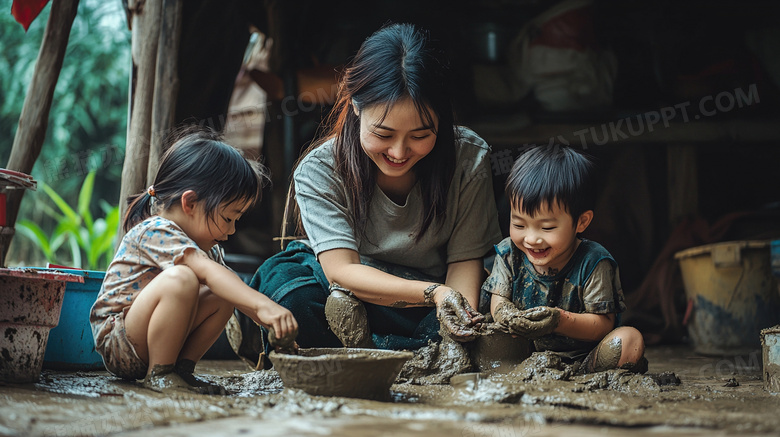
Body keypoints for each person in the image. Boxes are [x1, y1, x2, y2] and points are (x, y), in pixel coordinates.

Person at [243, 23, 503, 355]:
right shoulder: (320, 169)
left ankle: (375, 349)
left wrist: (454, 316)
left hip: (428, 300)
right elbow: (341, 270)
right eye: (383, 134)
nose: (398, 152)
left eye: (421, 136)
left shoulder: (469, 157)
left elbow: (465, 264)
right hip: (348, 289)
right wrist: (434, 293)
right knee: (294, 298)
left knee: (487, 309)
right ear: (354, 104)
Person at [90, 128, 298, 394]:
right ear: (190, 202)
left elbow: (225, 287)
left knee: (224, 291)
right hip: (121, 342)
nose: (232, 230)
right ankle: (161, 374)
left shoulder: (204, 248)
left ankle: (181, 371)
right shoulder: (155, 230)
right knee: (184, 277)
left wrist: (271, 324)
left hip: (149, 338)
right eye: (227, 218)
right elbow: (206, 273)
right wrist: (264, 304)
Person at [482, 145, 647, 374]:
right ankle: (520, 371)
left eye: (547, 227)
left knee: (629, 340)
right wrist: (509, 316)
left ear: (581, 222)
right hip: (522, 356)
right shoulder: (509, 253)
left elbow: (602, 325)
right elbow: (498, 303)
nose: (531, 239)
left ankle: (582, 375)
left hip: (581, 358)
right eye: (519, 224)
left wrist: (558, 321)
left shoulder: (594, 262)